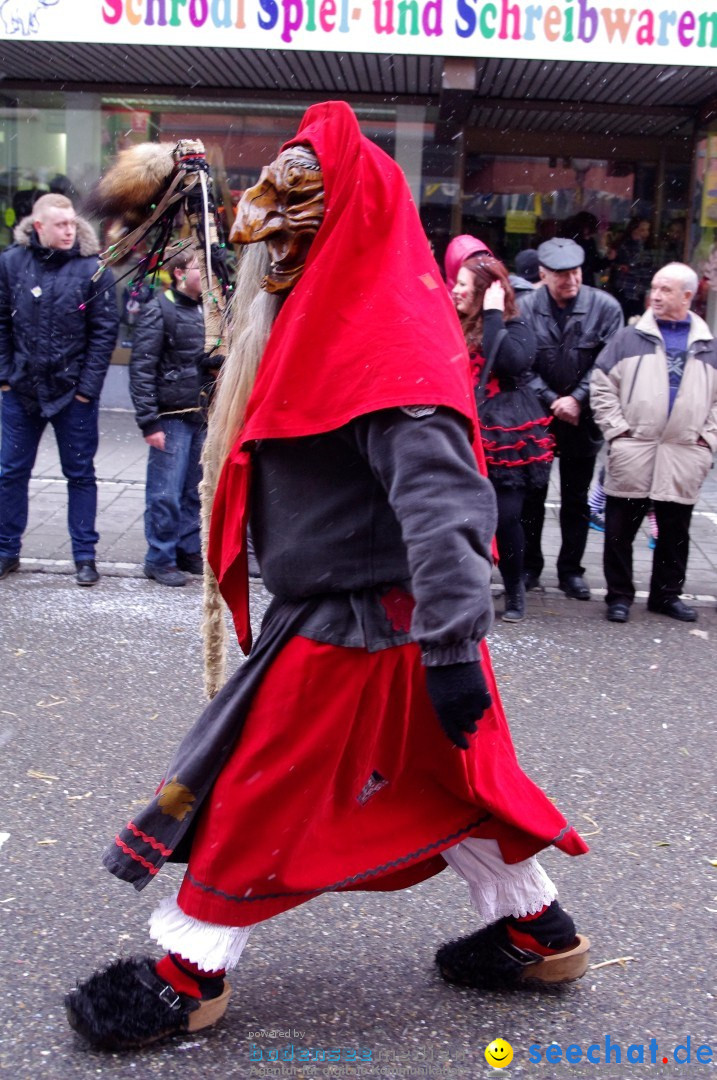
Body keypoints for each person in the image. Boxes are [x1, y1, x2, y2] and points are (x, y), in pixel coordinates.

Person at [65, 103, 589, 1052]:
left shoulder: (387, 341)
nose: (274, 233)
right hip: (376, 619)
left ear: (344, 219)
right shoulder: (332, 315)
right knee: (453, 782)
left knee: (260, 784)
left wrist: (452, 646)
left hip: (369, 628)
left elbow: (445, 507)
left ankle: (190, 973)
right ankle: (535, 930)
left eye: (297, 215)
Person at [0, 193, 119, 586]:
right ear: (39, 227)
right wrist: (4, 376)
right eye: (61, 225)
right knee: (11, 473)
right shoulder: (11, 263)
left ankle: (84, 556)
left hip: (73, 395)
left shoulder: (93, 269)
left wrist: (86, 390)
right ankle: (6, 551)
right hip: (21, 390)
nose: (70, 230)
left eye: (72, 223)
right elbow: (1, 321)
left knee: (80, 475)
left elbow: (104, 335)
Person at [590, 263, 717, 624]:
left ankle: (666, 595)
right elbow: (601, 386)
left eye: (666, 289)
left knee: (675, 534)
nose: (656, 296)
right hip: (635, 449)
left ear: (688, 296)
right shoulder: (629, 337)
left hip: (684, 453)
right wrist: (617, 432)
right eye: (655, 288)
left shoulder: (707, 345)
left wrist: (707, 439)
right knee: (618, 532)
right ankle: (619, 596)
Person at [518, 237, 623, 599]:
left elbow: (607, 362)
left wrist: (577, 398)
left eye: (576, 273)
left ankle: (571, 571)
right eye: (562, 276)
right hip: (538, 416)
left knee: (575, 499)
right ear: (543, 274)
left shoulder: (605, 307)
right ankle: (530, 566)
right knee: (532, 496)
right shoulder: (525, 308)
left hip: (583, 417)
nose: (571, 282)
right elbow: (521, 364)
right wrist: (552, 400)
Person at [452, 253, 553, 622]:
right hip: (463, 425)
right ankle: (471, 587)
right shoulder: (454, 322)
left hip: (506, 431)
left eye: (463, 284)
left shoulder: (515, 322)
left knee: (506, 517)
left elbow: (510, 362)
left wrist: (493, 314)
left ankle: (514, 592)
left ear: (486, 289)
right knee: (463, 515)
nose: (456, 290)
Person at [130, 245, 214, 587]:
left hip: (200, 414)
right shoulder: (158, 310)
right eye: (200, 270)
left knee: (194, 490)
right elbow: (142, 368)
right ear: (180, 273)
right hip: (171, 416)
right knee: (164, 492)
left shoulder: (209, 312)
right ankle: (160, 557)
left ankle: (187, 549)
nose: (207, 278)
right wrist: (149, 420)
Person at [611, 217, 654, 321]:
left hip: (639, 291)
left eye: (647, 230)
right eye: (642, 230)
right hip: (625, 289)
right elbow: (632, 263)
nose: (645, 233)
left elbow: (647, 269)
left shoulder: (648, 246)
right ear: (634, 230)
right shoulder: (624, 245)